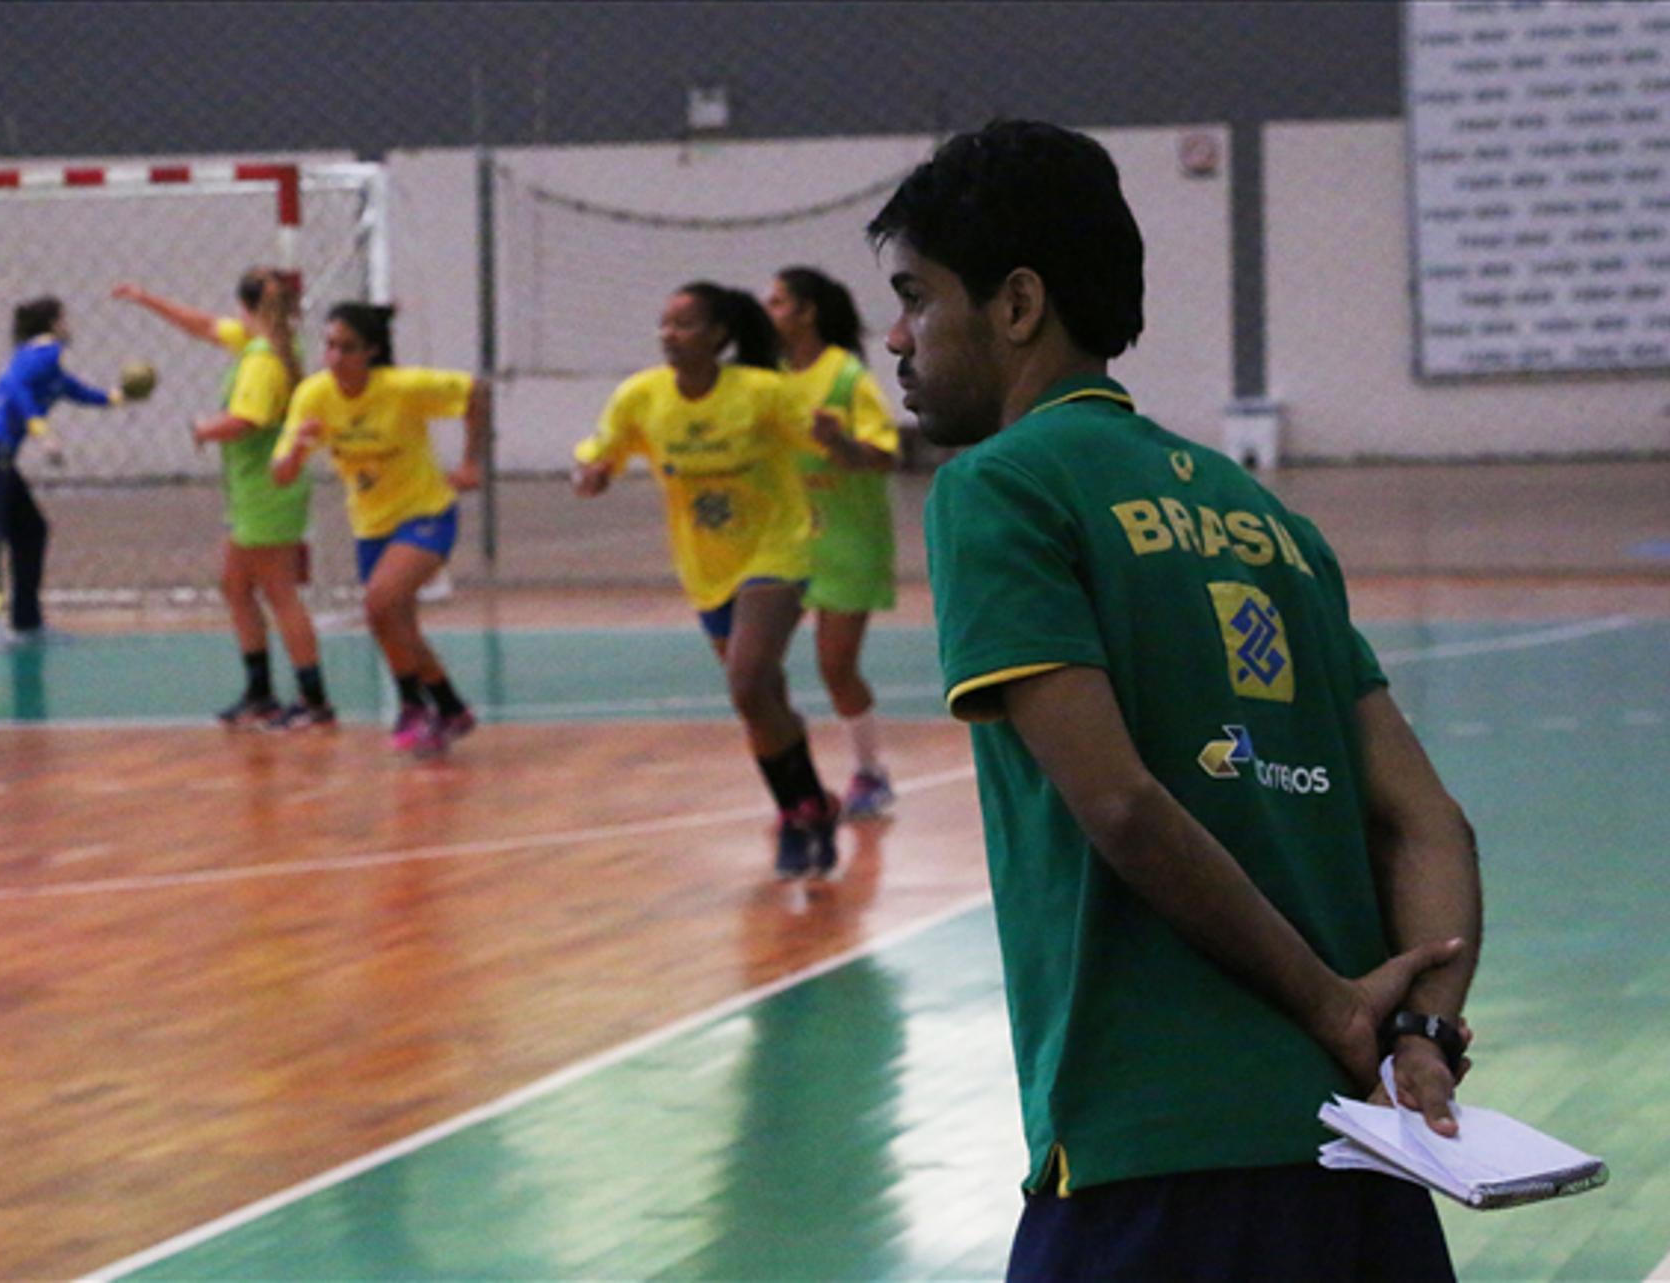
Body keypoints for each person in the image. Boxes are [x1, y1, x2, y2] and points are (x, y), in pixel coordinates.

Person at [868, 120, 1483, 1281]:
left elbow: (1121, 804)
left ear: (1015, 306)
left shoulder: (1000, 491)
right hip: (1361, 1172)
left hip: (1150, 1158)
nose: (895, 337)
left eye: (914, 296)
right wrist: (1421, 1034)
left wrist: (1337, 1009)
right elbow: (1430, 821)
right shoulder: (1269, 521)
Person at [571, 282, 842, 878]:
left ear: (719, 334)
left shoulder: (763, 393)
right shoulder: (642, 397)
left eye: (685, 324)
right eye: (665, 325)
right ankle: (807, 803)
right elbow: (604, 449)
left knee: (747, 683)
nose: (670, 335)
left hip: (778, 549)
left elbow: (821, 438)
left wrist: (840, 439)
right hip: (707, 566)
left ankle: (798, 815)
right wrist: (592, 470)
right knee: (764, 701)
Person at [112, 272, 336, 729]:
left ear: (245, 307)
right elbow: (201, 325)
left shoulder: (261, 360)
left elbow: (246, 419)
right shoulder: (264, 341)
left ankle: (314, 700)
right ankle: (260, 693)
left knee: (278, 591)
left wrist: (202, 428)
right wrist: (146, 296)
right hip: (255, 487)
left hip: (269, 488)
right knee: (235, 586)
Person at [271, 302, 487, 755]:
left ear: (371, 351)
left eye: (346, 348)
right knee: (387, 619)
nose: (334, 357)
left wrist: (471, 461)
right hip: (371, 525)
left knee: (382, 600)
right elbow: (281, 473)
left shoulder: (402, 388)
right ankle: (450, 709)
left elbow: (476, 391)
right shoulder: (314, 395)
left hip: (426, 513)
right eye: (329, 345)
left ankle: (412, 704)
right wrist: (296, 452)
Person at [766, 266, 901, 820]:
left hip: (847, 538)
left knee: (835, 666)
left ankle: (871, 773)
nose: (766, 313)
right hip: (785, 540)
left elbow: (885, 455)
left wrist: (839, 442)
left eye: (776, 303)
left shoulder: (846, 376)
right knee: (756, 671)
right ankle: (798, 788)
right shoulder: (766, 378)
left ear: (806, 311)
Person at [0, 296, 130, 650]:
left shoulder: (51, 366)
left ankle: (27, 622)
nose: (69, 324)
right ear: (52, 322)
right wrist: (40, 430)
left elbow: (75, 390)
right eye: (64, 318)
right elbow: (15, 384)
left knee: (31, 529)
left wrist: (118, 397)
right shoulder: (45, 351)